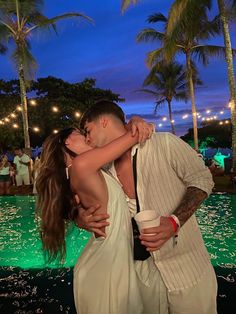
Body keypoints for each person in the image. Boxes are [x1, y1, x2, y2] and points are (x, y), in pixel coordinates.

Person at [78, 100, 218, 314]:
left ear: (104, 121)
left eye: (88, 131)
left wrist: (174, 222)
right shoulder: (103, 170)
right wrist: (79, 217)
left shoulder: (164, 144)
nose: (87, 139)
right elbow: (69, 196)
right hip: (140, 276)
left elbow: (202, 180)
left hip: (187, 269)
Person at [36, 126, 154, 314]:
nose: (88, 139)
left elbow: (71, 206)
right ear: (68, 142)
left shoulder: (85, 169)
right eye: (82, 135)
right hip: (105, 266)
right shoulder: (83, 164)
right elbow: (135, 135)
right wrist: (135, 121)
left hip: (108, 261)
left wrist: (77, 215)